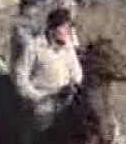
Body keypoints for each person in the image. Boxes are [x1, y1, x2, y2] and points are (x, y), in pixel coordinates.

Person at [12, 7, 83, 136]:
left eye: (69, 28)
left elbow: (77, 72)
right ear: (52, 29)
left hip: (67, 98)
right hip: (43, 100)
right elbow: (20, 77)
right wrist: (36, 97)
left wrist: (73, 84)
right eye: (64, 28)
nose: (68, 32)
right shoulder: (33, 47)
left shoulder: (68, 47)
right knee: (44, 125)